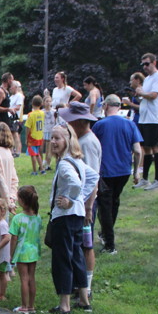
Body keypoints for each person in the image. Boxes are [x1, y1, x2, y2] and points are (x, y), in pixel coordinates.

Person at [46, 125, 98, 314]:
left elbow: (76, 183)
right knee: (76, 256)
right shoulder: (77, 161)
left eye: (57, 138)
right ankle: (84, 300)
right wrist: (80, 200)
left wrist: (71, 199)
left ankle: (64, 304)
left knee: (62, 258)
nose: (53, 142)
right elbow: (93, 177)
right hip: (77, 216)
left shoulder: (65, 164)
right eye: (52, 138)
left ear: (67, 140)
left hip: (65, 217)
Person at [92, 94, 142, 255]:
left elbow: (92, 147)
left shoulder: (100, 125)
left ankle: (110, 244)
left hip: (106, 171)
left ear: (106, 106)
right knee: (114, 201)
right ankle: (106, 234)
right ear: (119, 106)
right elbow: (137, 150)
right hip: (124, 171)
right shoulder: (130, 124)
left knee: (105, 206)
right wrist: (136, 172)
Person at [60, 101, 101, 295]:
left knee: (86, 244)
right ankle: (79, 285)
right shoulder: (80, 141)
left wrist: (88, 207)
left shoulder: (88, 143)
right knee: (79, 244)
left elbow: (92, 178)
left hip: (84, 204)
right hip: (79, 202)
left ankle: (86, 287)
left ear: (78, 122)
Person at [133, 52, 158, 190]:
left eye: (147, 64)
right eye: (143, 64)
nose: (145, 67)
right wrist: (138, 95)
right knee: (146, 148)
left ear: (154, 63)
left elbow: (153, 95)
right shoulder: (147, 79)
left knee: (156, 147)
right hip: (144, 117)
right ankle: (145, 179)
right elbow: (145, 97)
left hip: (154, 118)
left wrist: (141, 93)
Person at [8, 185, 42, 314]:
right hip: (34, 251)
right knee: (31, 278)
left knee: (24, 279)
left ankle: (24, 305)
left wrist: (11, 254)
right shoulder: (37, 217)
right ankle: (31, 306)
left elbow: (14, 238)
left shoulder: (18, 218)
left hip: (22, 252)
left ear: (22, 201)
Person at [25, 95, 46, 175]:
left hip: (32, 137)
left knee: (33, 155)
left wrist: (27, 138)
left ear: (32, 103)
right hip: (39, 136)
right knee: (37, 154)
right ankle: (42, 169)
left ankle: (34, 171)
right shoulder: (42, 113)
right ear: (41, 104)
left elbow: (28, 127)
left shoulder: (31, 115)